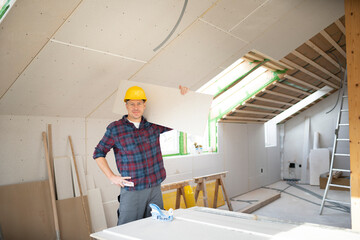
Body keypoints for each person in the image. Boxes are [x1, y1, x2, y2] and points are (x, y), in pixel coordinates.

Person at [93, 85, 189, 225]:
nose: (135, 107)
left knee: (155, 226)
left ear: (144, 105)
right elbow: (98, 153)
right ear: (126, 105)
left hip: (154, 187)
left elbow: (177, 118)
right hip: (133, 189)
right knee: (127, 228)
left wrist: (183, 98)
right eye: (132, 104)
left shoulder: (153, 125)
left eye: (139, 103)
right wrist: (111, 176)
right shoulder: (115, 128)